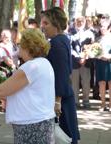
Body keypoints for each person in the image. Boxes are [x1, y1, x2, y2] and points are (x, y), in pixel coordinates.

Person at [0, 28, 56, 144]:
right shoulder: (44, 63)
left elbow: (2, 90)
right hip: (40, 122)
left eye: (21, 43)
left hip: (31, 125)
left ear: (27, 46)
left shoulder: (30, 67)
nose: (18, 46)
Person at [40, 7, 80, 144]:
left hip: (61, 99)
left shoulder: (57, 43)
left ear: (56, 24)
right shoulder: (61, 39)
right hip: (62, 96)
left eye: (46, 23)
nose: (42, 26)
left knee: (65, 137)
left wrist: (57, 101)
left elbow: (61, 73)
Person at [95, 19, 111, 111]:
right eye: (101, 26)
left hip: (109, 63)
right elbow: (93, 51)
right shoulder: (97, 38)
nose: (102, 28)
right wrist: (97, 55)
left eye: (104, 26)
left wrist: (108, 56)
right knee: (101, 83)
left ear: (108, 28)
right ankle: (102, 104)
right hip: (100, 63)